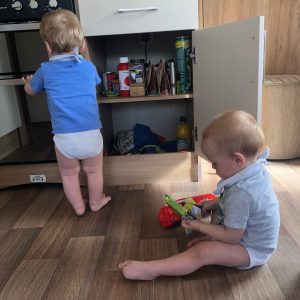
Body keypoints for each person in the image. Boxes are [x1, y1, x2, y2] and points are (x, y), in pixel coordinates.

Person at [119, 110, 280, 280]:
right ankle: (214, 239)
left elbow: (232, 236)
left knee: (202, 253)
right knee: (217, 210)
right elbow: (233, 201)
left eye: (215, 163)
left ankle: (152, 270)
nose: (212, 167)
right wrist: (214, 204)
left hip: (250, 249)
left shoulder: (243, 193)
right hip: (243, 234)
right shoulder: (252, 169)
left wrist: (199, 226)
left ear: (238, 160)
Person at [23, 9, 111, 216]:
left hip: (65, 138)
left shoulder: (45, 70)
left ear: (47, 46)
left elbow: (32, 91)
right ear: (82, 45)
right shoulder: (89, 67)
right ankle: (96, 202)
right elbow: (96, 82)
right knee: (94, 171)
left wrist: (27, 83)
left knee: (69, 175)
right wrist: (84, 53)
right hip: (91, 134)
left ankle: (79, 207)